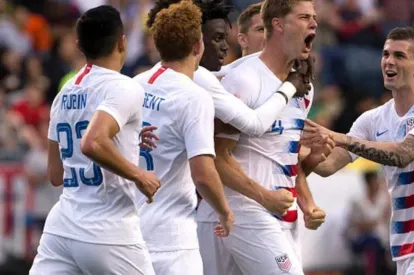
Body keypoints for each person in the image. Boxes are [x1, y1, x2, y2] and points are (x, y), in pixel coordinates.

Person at [301, 27, 414, 275]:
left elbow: (401, 154)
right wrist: (288, 146)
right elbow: (328, 166)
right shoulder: (372, 120)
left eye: (399, 55)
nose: (389, 61)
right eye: (385, 54)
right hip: (403, 246)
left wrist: (339, 137)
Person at [144, 0, 311, 224]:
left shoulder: (145, 80)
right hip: (176, 218)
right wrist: (290, 85)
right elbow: (255, 125)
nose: (225, 46)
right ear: (197, 44)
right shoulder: (198, 86)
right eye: (217, 38)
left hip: (146, 208)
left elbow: (226, 70)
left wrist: (292, 55)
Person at [196, 0, 329, 274]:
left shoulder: (303, 87)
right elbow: (216, 158)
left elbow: (283, 157)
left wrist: (307, 202)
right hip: (243, 210)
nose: (314, 23)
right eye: (304, 17)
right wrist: (264, 197)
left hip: (277, 213)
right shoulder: (244, 80)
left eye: (314, 17)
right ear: (278, 25)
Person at [30, 5, 160, 275]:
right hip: (107, 230)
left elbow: (56, 174)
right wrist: (139, 175)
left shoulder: (65, 91)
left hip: (62, 229)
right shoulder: (124, 86)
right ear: (122, 41)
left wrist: (128, 139)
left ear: (79, 45)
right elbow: (92, 142)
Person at [134, 2, 234, 275]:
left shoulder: (136, 83)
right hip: (172, 240)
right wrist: (225, 211)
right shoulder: (194, 97)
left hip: (130, 232)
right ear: (198, 46)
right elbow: (202, 174)